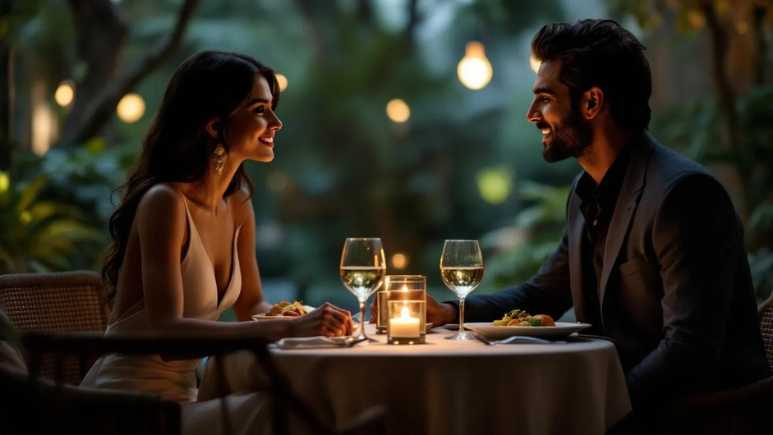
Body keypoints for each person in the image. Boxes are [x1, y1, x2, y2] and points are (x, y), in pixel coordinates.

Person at [426, 19, 769, 428]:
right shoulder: (587, 191)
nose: (531, 114)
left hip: (700, 415)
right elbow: (543, 295)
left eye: (545, 98)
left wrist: (597, 407)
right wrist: (449, 313)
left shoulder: (684, 196)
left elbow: (689, 350)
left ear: (591, 103)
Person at [81, 50, 353, 432]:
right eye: (260, 110)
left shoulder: (238, 203)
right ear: (213, 125)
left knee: (301, 398)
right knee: (283, 413)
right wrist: (289, 329)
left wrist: (304, 317)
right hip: (128, 408)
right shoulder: (165, 202)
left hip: (186, 400)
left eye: (272, 108)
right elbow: (168, 336)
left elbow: (251, 305)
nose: (276, 122)